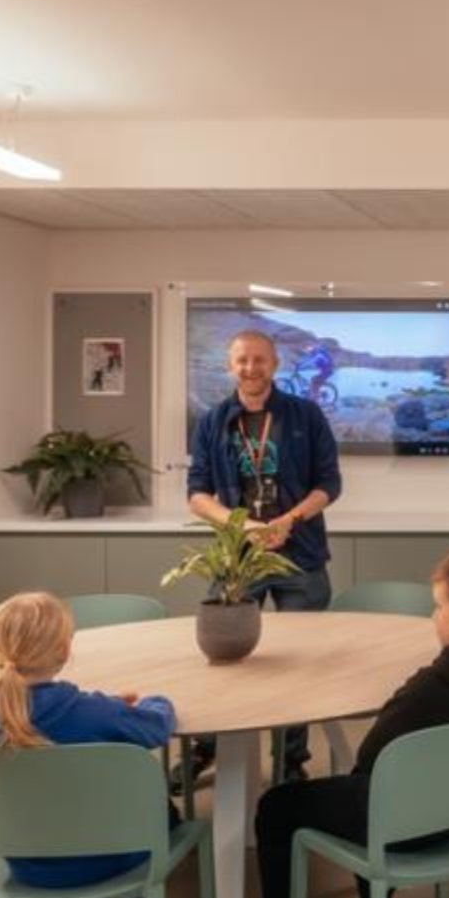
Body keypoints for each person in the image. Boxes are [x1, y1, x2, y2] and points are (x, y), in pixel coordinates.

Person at [254, 545, 449, 898]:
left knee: (275, 806)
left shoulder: (434, 686)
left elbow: (371, 754)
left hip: (410, 824)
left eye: (439, 607)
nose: (434, 616)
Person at [182, 329, 342, 786]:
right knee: (223, 657)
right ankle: (208, 747)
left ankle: (290, 760)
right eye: (242, 360)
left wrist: (290, 519)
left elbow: (329, 484)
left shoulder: (306, 415)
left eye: (259, 360)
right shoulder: (212, 421)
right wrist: (243, 526)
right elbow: (197, 495)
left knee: (301, 663)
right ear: (230, 366)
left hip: (301, 555)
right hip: (239, 560)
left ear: (275, 364)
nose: (251, 368)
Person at [0, 591, 177, 890]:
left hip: (25, 864)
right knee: (168, 811)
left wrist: (106, 705)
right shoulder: (95, 712)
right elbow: (158, 726)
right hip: (110, 857)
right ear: (65, 649)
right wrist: (156, 701)